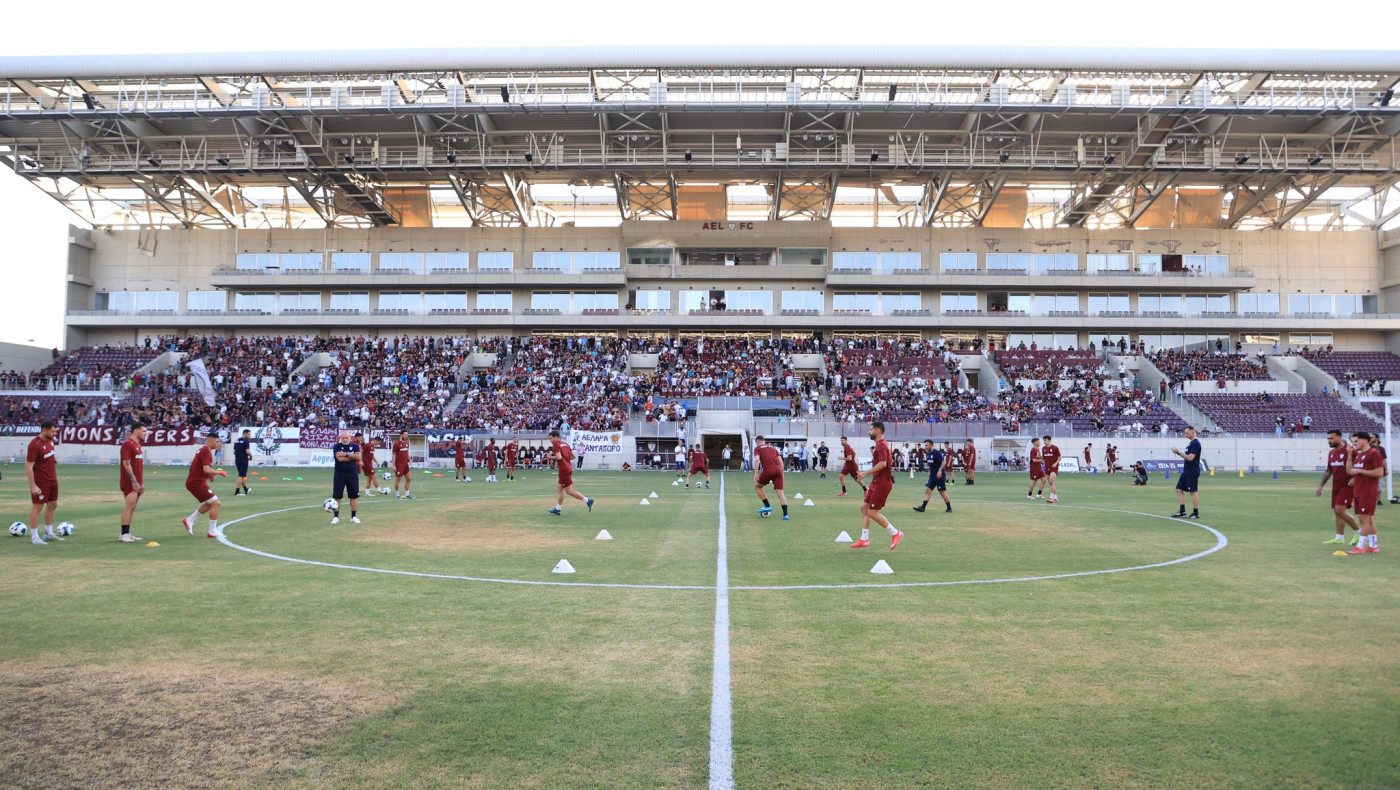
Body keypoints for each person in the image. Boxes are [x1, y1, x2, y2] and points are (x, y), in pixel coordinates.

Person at [850, 421, 902, 549]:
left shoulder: (882, 446)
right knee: (864, 509)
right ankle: (864, 539)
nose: (869, 431)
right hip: (876, 483)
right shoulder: (879, 445)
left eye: (871, 429)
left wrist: (865, 473)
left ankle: (895, 533)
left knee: (872, 512)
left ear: (878, 431)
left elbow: (883, 464)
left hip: (882, 484)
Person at [1318, 429, 1361, 545]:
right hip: (1336, 486)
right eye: (1328, 439)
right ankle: (1339, 537)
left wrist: (1355, 478)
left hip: (1347, 486)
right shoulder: (1331, 453)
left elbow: (1361, 466)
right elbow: (1329, 470)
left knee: (1339, 510)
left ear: (1340, 438)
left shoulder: (1350, 451)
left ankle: (1358, 532)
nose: (1329, 441)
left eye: (1331, 438)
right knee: (1337, 512)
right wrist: (1321, 485)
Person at [181, 431, 226, 538]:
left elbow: (200, 467)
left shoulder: (203, 450)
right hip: (196, 483)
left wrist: (210, 475)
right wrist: (219, 472)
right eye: (217, 441)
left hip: (195, 482)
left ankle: (189, 520)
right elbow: (206, 469)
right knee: (216, 503)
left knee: (211, 503)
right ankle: (212, 531)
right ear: (210, 441)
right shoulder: (206, 451)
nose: (218, 444)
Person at [25, 420, 61, 545]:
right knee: (38, 507)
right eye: (52, 431)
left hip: (52, 479)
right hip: (41, 480)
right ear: (44, 430)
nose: (55, 434)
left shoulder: (51, 441)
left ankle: (48, 533)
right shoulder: (35, 444)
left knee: (53, 504)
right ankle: (34, 537)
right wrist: (33, 485)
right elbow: (29, 466)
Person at [1347, 431, 1383, 554]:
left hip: (1368, 492)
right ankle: (1373, 546)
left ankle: (1360, 547)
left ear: (1365, 440)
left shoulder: (1374, 454)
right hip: (1359, 491)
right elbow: (1350, 471)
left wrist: (1360, 471)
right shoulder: (1359, 455)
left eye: (1356, 441)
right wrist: (1350, 456)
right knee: (1369, 518)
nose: (1354, 443)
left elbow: (1379, 472)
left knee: (1363, 519)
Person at [546, 430, 594, 516]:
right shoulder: (565, 444)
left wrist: (551, 457)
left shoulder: (556, 445)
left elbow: (559, 457)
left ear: (556, 437)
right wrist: (565, 461)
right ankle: (558, 509)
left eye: (551, 438)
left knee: (568, 491)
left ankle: (588, 501)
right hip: (568, 467)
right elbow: (573, 456)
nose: (550, 440)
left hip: (563, 469)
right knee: (560, 488)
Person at [118, 423, 147, 542]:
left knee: (133, 506)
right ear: (136, 431)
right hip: (129, 482)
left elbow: (138, 466)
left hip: (137, 482)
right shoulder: (127, 444)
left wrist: (141, 482)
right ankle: (123, 534)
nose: (145, 433)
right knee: (130, 506)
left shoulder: (138, 445)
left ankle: (127, 533)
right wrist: (134, 481)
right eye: (144, 431)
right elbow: (126, 464)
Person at [753, 436, 790, 520]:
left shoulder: (757, 448)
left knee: (758, 487)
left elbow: (757, 460)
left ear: (758, 442)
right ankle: (785, 515)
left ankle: (767, 506)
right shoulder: (773, 448)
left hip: (769, 470)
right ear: (764, 441)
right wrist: (782, 474)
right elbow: (781, 462)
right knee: (781, 493)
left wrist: (756, 473)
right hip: (778, 470)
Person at [330, 429, 362, 525]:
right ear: (340, 438)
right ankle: (336, 517)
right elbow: (339, 459)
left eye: (346, 437)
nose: (344, 439)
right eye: (343, 438)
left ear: (350, 438)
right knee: (337, 496)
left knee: (353, 496)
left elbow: (358, 457)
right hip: (339, 474)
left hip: (352, 474)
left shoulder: (355, 446)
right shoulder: (337, 446)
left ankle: (353, 516)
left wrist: (346, 454)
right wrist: (351, 456)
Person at [1169, 426, 1202, 519]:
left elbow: (1190, 458)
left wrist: (1178, 452)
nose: (1185, 434)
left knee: (1193, 491)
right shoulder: (1190, 444)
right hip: (1186, 470)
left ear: (1193, 432)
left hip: (1192, 470)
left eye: (1187, 433)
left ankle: (1196, 513)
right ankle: (1182, 511)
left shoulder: (1196, 444)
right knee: (1179, 489)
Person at [912, 439, 952, 514]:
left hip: (939, 476)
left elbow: (944, 462)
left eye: (927, 445)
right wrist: (930, 471)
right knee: (928, 490)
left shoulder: (937, 453)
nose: (925, 447)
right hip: (933, 476)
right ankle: (923, 507)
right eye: (925, 445)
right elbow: (931, 464)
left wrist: (940, 470)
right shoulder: (927, 454)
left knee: (942, 492)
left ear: (931, 445)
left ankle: (949, 508)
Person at [392, 430, 414, 499]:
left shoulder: (407, 443)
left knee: (409, 479)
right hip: (399, 464)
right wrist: (393, 465)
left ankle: (407, 494)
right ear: (401, 435)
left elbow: (407, 452)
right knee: (398, 479)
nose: (406, 436)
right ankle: (397, 495)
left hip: (405, 464)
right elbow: (394, 455)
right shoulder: (396, 444)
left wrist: (409, 459)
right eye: (405, 434)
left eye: (407, 435)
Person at [1041, 436, 1062, 503]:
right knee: (1051, 483)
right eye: (1044, 440)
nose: (1044, 441)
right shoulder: (1043, 448)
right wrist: (1039, 458)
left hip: (1054, 468)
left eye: (1046, 440)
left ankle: (1051, 497)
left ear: (1050, 440)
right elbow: (1044, 458)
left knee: (1051, 481)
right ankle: (1056, 498)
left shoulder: (1055, 448)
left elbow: (1059, 457)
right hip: (1047, 468)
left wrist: (1055, 463)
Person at [232, 428, 252, 496]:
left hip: (237, 460)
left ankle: (246, 489)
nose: (249, 436)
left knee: (242, 475)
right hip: (244, 460)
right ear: (245, 434)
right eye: (249, 434)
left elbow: (234, 452)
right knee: (241, 476)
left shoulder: (237, 441)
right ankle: (237, 491)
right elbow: (247, 451)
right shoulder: (246, 441)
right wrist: (251, 456)